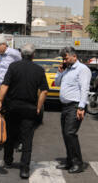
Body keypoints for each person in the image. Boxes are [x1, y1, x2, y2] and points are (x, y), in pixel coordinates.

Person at [0, 44, 49, 179]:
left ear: (21, 54)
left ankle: (8, 161)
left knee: (10, 134)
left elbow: (5, 85)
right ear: (33, 55)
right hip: (29, 108)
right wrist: (38, 106)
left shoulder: (13, 67)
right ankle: (24, 169)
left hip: (12, 106)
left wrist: (0, 101)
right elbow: (44, 91)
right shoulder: (39, 70)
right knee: (27, 139)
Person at [54, 46, 91, 174]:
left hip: (75, 106)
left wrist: (81, 107)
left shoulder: (82, 69)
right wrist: (60, 72)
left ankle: (78, 163)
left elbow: (85, 88)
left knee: (70, 133)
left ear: (74, 56)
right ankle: (70, 161)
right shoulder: (66, 70)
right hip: (65, 107)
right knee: (66, 134)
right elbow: (57, 83)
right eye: (63, 59)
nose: (64, 60)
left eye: (66, 58)